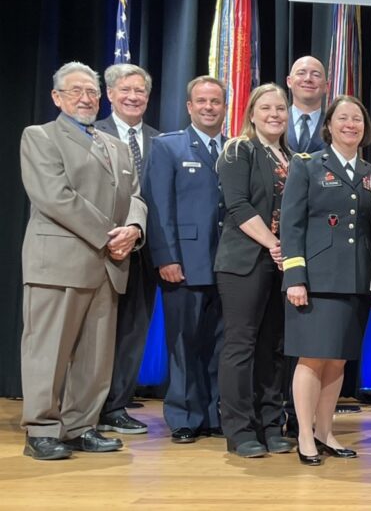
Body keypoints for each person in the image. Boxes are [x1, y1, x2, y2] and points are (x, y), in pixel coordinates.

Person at [20, 61, 146, 460]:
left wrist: (135, 231)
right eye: (75, 91)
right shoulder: (40, 137)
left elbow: (137, 197)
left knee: (95, 357)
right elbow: (55, 196)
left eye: (91, 91)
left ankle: (81, 426)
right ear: (57, 97)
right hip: (59, 262)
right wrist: (111, 235)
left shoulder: (117, 145)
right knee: (49, 351)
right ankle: (41, 429)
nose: (85, 98)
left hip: (108, 266)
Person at [280, 96, 371, 466]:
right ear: (329, 125)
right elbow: (292, 224)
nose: (350, 124)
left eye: (357, 118)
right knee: (313, 357)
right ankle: (304, 434)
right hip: (316, 279)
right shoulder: (307, 166)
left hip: (357, 279)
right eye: (343, 118)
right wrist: (295, 276)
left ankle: (325, 431)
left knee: (337, 361)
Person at [143, 76, 227, 443]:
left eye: (216, 101)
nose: (209, 107)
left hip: (228, 266)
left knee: (220, 346)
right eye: (202, 101)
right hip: (185, 264)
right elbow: (157, 206)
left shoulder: (236, 148)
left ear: (225, 106)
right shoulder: (168, 147)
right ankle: (183, 417)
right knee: (183, 345)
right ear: (189, 106)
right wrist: (166, 257)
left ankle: (213, 414)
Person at [214, 84, 294, 458]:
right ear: (251, 112)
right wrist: (273, 245)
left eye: (281, 108)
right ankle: (239, 429)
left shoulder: (293, 157)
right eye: (266, 107)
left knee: (273, 347)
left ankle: (270, 423)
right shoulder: (238, 150)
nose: (275, 114)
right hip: (245, 261)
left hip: (281, 266)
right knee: (240, 346)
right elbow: (238, 204)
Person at [95, 63, 161, 436]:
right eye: (126, 90)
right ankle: (86, 405)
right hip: (102, 249)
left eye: (140, 92)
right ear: (110, 95)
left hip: (145, 252)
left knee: (134, 331)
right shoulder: (92, 134)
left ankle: (117, 405)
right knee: (96, 332)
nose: (133, 97)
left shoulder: (160, 139)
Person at [287, 56, 327, 154]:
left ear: (327, 86)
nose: (308, 79)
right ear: (289, 82)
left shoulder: (334, 126)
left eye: (316, 75)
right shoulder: (275, 121)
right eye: (301, 73)